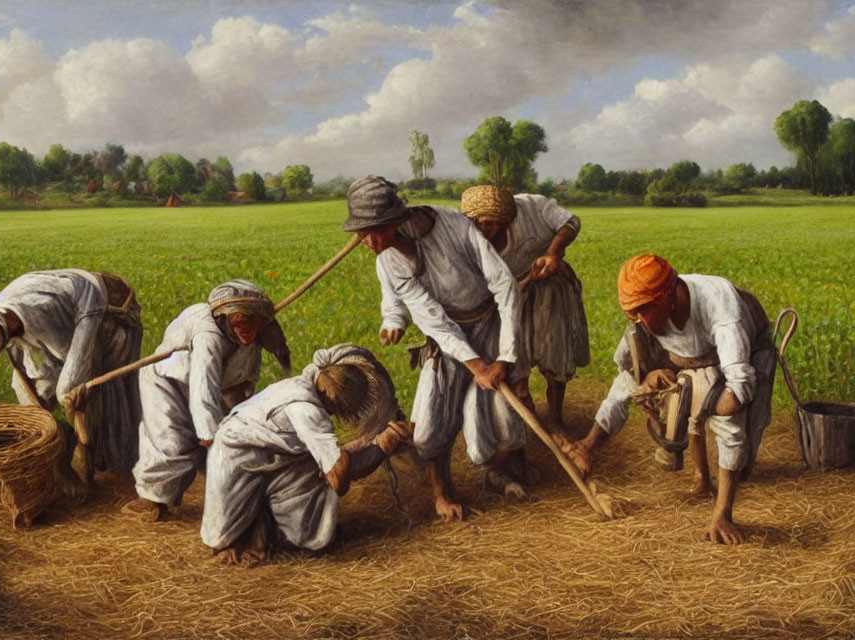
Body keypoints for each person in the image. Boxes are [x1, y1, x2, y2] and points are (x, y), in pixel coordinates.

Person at [343, 176, 530, 522]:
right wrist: (476, 366)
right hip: (446, 340)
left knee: (505, 418)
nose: (367, 242)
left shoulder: (454, 225)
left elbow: (504, 285)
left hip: (492, 325)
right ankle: (442, 493)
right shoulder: (388, 261)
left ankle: (505, 471)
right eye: (361, 233)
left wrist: (504, 356)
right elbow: (433, 320)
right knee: (428, 429)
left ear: (395, 222)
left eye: (374, 231)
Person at [559, 254, 776, 544]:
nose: (638, 321)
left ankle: (723, 512)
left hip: (748, 355)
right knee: (680, 395)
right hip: (692, 359)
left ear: (669, 297)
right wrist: (648, 380)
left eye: (641, 312)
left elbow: (739, 388)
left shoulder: (721, 310)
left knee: (737, 433)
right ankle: (700, 479)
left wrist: (706, 405)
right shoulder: (646, 312)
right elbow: (627, 370)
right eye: (632, 314)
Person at [200, 343, 413, 566]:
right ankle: (266, 531)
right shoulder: (307, 409)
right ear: (328, 386)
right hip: (234, 461)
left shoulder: (308, 386)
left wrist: (369, 442)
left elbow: (334, 461)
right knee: (227, 537)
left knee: (312, 478)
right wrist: (381, 445)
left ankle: (282, 529)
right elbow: (338, 477)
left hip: (265, 455)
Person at [0, 269, 142, 492]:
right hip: (63, 324)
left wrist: (72, 396)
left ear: (6, 320)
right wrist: (36, 406)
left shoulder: (38, 308)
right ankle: (61, 442)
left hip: (97, 309)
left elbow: (71, 353)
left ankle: (111, 461)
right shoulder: (3, 321)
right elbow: (24, 360)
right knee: (28, 396)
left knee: (73, 390)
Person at [127, 280, 291, 522]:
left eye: (252, 321)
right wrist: (210, 435)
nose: (246, 328)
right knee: (171, 442)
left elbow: (256, 363)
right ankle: (153, 499)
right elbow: (203, 389)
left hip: (224, 382)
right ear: (224, 318)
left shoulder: (261, 328)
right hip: (168, 380)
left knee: (238, 431)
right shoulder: (209, 336)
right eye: (239, 322)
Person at [460, 185, 590, 431]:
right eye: (476, 222)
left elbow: (571, 222)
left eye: (490, 224)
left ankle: (554, 417)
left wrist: (553, 253)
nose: (483, 229)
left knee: (554, 352)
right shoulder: (468, 239)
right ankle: (524, 412)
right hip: (508, 297)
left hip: (551, 289)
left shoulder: (533, 207)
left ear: (507, 220)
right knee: (513, 353)